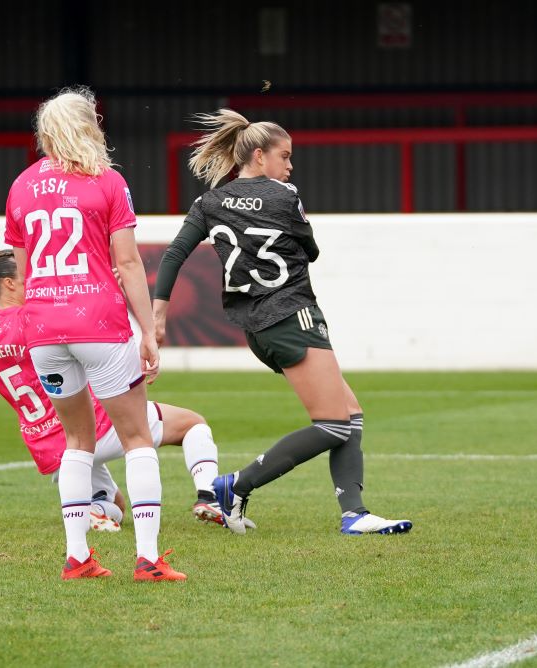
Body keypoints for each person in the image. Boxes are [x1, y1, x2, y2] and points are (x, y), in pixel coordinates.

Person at [152, 109, 412, 536]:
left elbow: (174, 254)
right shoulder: (285, 195)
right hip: (292, 313)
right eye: (285, 156)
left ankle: (354, 513)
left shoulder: (209, 202)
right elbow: (311, 250)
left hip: (256, 326)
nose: (290, 166)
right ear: (258, 155)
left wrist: (159, 311)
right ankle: (235, 485)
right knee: (333, 423)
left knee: (350, 413)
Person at [4, 87, 184, 580]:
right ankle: (147, 558)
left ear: (46, 133)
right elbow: (127, 262)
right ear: (90, 127)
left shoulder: (20, 186)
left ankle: (78, 557)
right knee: (136, 438)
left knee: (77, 441)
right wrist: (148, 331)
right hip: (98, 323)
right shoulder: (107, 181)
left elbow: (22, 272)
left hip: (44, 329)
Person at [0, 249, 244, 533]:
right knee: (193, 424)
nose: (39, 279)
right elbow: (87, 337)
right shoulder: (36, 320)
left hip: (50, 449)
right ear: (9, 283)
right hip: (93, 427)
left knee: (115, 504)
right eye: (30, 274)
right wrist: (104, 291)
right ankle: (210, 497)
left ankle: (96, 511)